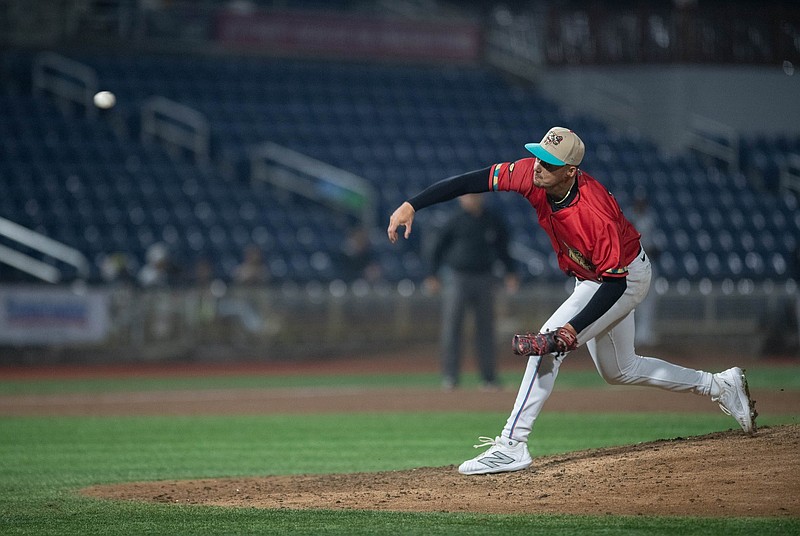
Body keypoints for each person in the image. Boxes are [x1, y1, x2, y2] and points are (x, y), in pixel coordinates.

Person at [387, 126, 757, 475]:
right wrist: (413, 204)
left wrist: (570, 330)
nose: (539, 166)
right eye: (539, 155)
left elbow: (615, 285)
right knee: (620, 370)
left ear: (570, 171)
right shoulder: (533, 173)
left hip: (621, 278)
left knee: (547, 345)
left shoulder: (593, 213)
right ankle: (720, 385)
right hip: (596, 277)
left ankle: (513, 443)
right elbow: (473, 180)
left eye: (550, 162)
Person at [425, 193, 519, 391]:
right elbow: (437, 248)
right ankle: (450, 377)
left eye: (476, 195)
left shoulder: (492, 219)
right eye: (468, 196)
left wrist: (511, 272)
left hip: (485, 277)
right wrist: (433, 274)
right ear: (461, 199)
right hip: (458, 278)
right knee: (452, 328)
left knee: (486, 329)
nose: (472, 199)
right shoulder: (454, 220)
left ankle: (489, 378)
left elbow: (503, 248)